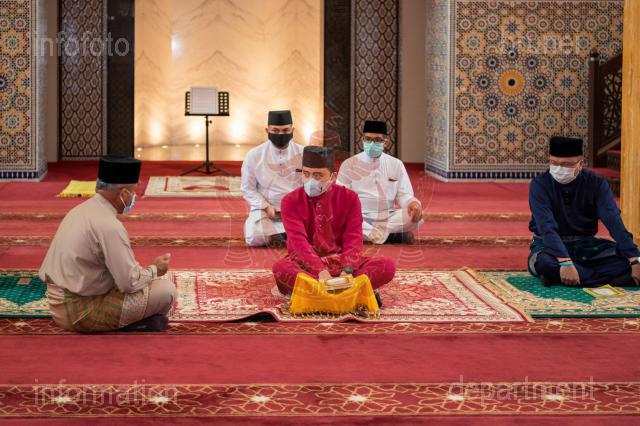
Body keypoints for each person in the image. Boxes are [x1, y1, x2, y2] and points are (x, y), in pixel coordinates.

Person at [39, 156, 177, 332]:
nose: (134, 197)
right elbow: (129, 283)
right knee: (166, 291)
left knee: (143, 283)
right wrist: (155, 269)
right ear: (123, 194)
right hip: (81, 312)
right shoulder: (110, 226)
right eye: (133, 192)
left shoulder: (79, 210)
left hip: (58, 304)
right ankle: (127, 324)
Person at [272, 146, 396, 300]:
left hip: (341, 263)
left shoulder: (349, 198)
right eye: (306, 174)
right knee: (281, 269)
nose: (311, 180)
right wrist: (321, 272)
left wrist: (347, 271)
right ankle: (351, 293)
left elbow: (353, 238)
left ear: (333, 176)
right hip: (307, 265)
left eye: (318, 175)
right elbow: (298, 243)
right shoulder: (290, 201)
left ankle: (318, 295)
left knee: (387, 266)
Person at [528, 136, 640, 287]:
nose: (559, 168)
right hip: (548, 247)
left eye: (566, 164)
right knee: (545, 263)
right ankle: (609, 279)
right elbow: (546, 227)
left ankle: (568, 276)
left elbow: (613, 220)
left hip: (586, 246)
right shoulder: (540, 184)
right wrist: (565, 262)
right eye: (554, 163)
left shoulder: (597, 183)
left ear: (580, 164)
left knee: (626, 261)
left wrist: (634, 259)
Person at [337, 120, 423, 244]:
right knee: (339, 217)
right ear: (362, 140)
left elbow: (404, 195)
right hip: (358, 215)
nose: (372, 143)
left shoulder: (396, 164)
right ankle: (389, 236)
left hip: (387, 216)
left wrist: (413, 203)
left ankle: (367, 234)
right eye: (368, 139)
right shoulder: (349, 164)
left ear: (385, 142)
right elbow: (340, 197)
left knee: (415, 216)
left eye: (377, 140)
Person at [241, 110, 304, 247]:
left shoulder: (304, 153)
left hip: (297, 208)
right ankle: (291, 236)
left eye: (285, 130)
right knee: (254, 237)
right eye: (275, 130)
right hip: (265, 208)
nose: (280, 134)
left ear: (292, 130)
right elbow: (247, 189)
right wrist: (265, 206)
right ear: (267, 130)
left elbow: (311, 185)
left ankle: (285, 235)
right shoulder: (254, 155)